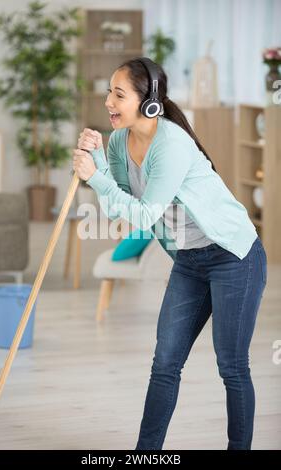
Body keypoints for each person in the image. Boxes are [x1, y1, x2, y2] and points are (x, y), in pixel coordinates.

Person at [72, 57, 267, 450]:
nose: (108, 100)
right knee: (165, 364)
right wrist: (95, 164)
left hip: (234, 256)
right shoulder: (118, 141)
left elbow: (144, 216)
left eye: (119, 94)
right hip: (189, 262)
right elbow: (119, 204)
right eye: (110, 91)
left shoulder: (171, 144)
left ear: (149, 102)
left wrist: (97, 179)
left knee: (231, 365)